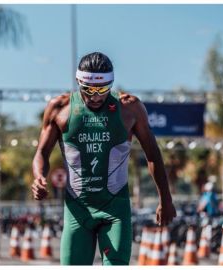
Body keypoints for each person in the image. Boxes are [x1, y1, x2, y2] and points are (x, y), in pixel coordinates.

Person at [31, 52, 176, 265]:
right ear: (79, 82)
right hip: (77, 211)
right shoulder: (60, 108)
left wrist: (166, 198)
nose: (96, 96)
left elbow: (153, 154)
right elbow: (42, 153)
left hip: (115, 211)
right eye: (89, 90)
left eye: (103, 90)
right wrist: (38, 177)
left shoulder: (130, 108)